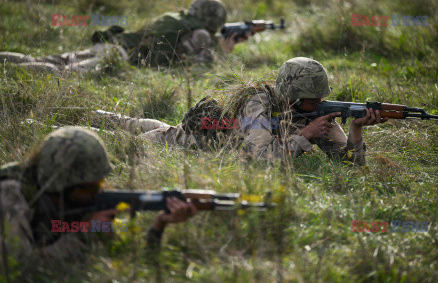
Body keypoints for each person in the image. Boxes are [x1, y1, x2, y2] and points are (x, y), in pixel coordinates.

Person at [94, 57, 387, 165]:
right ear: (293, 97)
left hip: (183, 131)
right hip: (183, 143)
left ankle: (106, 118)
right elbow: (260, 158)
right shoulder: (258, 103)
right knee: (129, 138)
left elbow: (351, 163)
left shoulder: (315, 113)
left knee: (148, 124)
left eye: (321, 98)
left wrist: (356, 130)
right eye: (313, 100)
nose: (320, 104)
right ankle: (94, 123)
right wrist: (306, 136)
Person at [0, 127, 197, 262]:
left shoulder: (74, 202)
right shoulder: (10, 196)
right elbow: (20, 267)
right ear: (60, 184)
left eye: (100, 184)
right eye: (89, 188)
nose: (98, 193)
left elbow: (128, 262)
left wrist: (159, 225)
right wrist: (83, 236)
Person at [0, 0, 246, 72]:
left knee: (50, 60)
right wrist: (223, 52)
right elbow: (199, 70)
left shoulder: (176, 17)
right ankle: (11, 72)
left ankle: (8, 64)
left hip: (112, 44)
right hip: (119, 56)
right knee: (62, 72)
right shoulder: (201, 34)